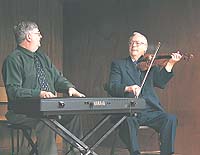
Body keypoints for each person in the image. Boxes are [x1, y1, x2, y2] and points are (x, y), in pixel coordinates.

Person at [2, 21, 85, 155]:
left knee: (72, 115)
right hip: (22, 112)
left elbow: (57, 78)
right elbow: (13, 91)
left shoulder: (42, 57)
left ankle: (77, 152)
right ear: (28, 37)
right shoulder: (13, 60)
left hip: (49, 109)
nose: (41, 36)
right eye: (38, 33)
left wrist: (70, 88)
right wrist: (39, 94)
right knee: (47, 121)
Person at [107, 32, 182, 155]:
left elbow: (161, 82)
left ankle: (167, 153)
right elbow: (112, 86)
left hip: (149, 110)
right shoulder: (119, 65)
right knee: (128, 121)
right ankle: (135, 153)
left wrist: (170, 64)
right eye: (131, 42)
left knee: (170, 119)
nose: (134, 45)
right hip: (129, 111)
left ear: (145, 48)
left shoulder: (151, 65)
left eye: (138, 43)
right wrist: (129, 88)